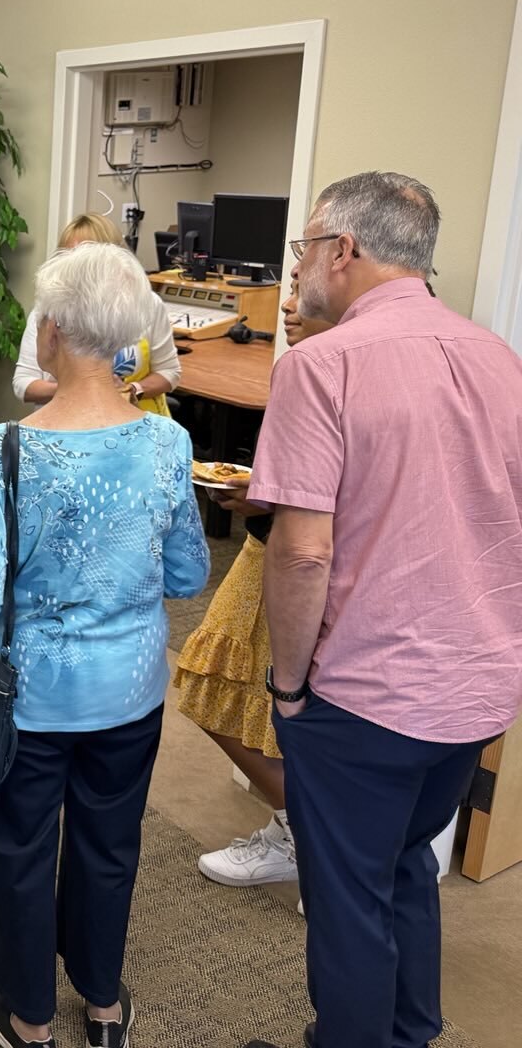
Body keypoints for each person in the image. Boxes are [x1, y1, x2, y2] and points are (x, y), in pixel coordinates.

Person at [240, 173, 522, 1048]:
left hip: (367, 697)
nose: (299, 267)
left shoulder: (320, 366)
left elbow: (302, 552)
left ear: (345, 250)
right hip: (478, 690)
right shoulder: (500, 358)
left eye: (305, 248)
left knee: (348, 899)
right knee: (404, 865)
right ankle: (410, 1033)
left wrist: (289, 690)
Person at [0, 242, 209, 1048]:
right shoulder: (168, 445)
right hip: (130, 690)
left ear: (54, 330)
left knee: (21, 851)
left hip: (29, 696)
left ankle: (29, 1019)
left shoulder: (7, 449)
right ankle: (102, 1007)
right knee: (110, 845)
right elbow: (189, 573)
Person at [173, 264, 335, 888]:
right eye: (287, 290)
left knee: (262, 694)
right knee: (214, 683)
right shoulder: (302, 370)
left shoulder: (336, 375)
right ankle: (301, 830)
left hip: (295, 559)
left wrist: (265, 499)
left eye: (300, 292)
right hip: (263, 547)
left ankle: (308, 837)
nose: (288, 306)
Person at [13, 212, 180, 414]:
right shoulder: (48, 310)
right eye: (67, 257)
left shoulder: (147, 305)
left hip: (132, 420)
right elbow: (24, 383)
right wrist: (81, 390)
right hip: (64, 420)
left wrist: (130, 390)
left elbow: (169, 371)